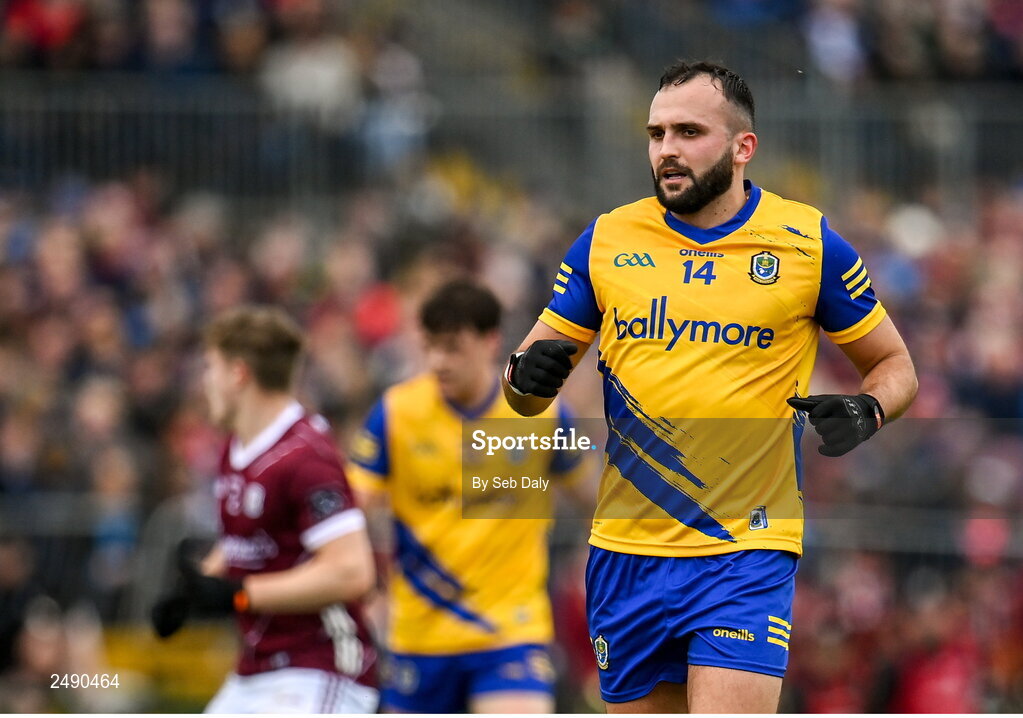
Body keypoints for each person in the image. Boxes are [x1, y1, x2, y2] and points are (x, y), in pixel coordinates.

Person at [502, 60, 918, 714]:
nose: (666, 149)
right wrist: (521, 379)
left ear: (742, 147)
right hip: (626, 554)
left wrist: (868, 409)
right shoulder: (606, 240)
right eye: (656, 133)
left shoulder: (807, 243)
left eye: (688, 132)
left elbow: (895, 366)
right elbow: (523, 388)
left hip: (745, 553)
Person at [347, 278, 590, 713]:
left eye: (452, 348)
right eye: (430, 347)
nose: (438, 362)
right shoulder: (396, 413)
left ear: (490, 341)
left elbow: (596, 499)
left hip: (511, 633)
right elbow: (349, 511)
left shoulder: (544, 415)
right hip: (420, 637)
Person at [150, 306, 378, 713]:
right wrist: (194, 589)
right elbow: (247, 542)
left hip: (321, 667)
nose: (205, 382)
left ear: (238, 374)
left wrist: (240, 595)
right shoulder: (234, 447)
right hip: (257, 668)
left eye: (210, 367)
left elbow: (352, 571)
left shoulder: (306, 457)